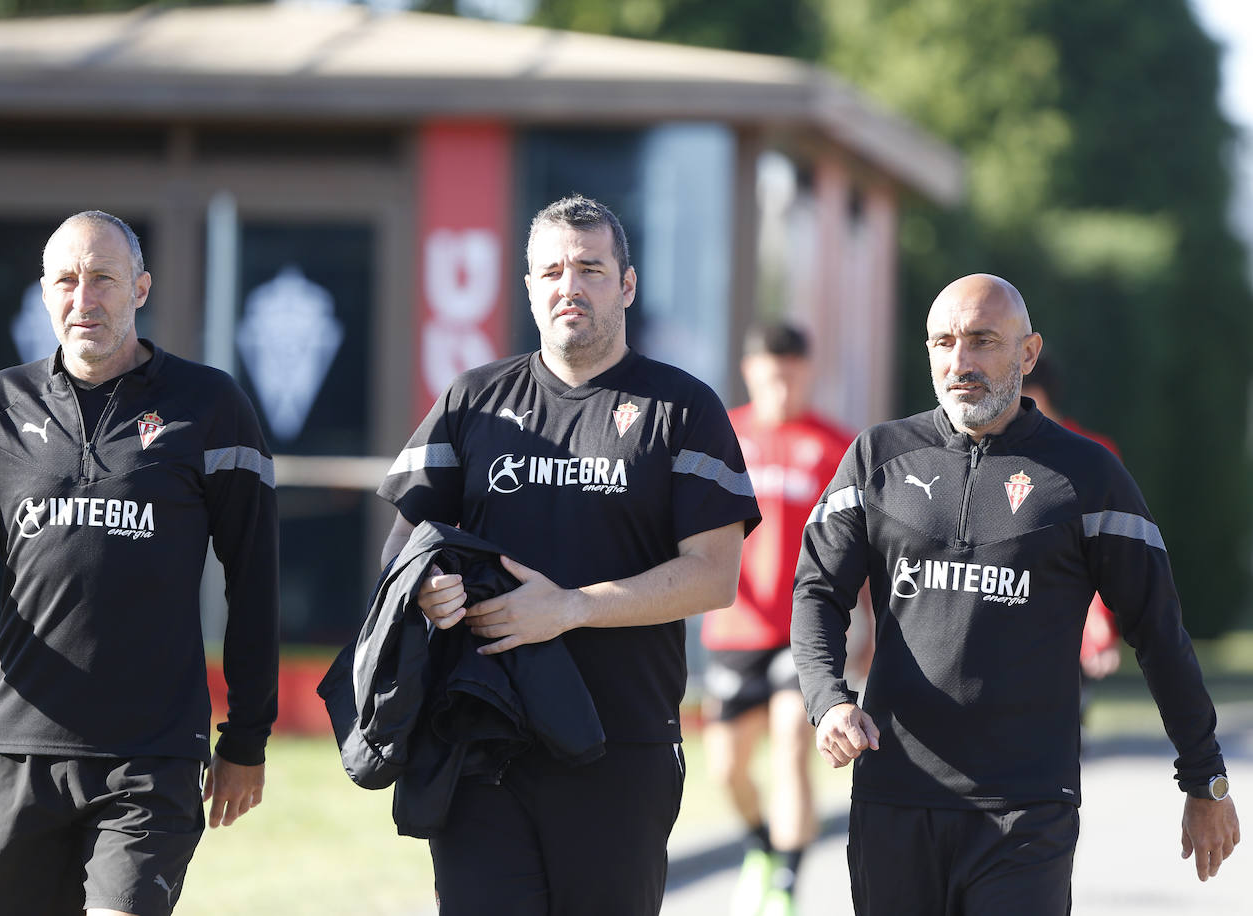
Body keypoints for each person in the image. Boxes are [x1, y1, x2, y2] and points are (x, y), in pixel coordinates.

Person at [790, 273, 1239, 915]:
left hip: (1027, 809)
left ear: (1027, 355)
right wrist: (828, 699)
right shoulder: (876, 458)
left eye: (981, 340)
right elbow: (816, 592)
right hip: (896, 794)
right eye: (943, 342)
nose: (959, 361)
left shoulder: (1088, 476)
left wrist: (1205, 778)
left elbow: (1158, 631)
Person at [0, 211, 279, 916]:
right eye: (66, 280)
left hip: (152, 753)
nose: (83, 298)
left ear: (141, 289)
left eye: (103, 279)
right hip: (18, 748)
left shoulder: (210, 406)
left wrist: (245, 736)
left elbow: (253, 582)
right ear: (44, 292)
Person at [377, 194, 761, 915]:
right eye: (550, 270)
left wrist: (571, 609)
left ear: (627, 285)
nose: (569, 285)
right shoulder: (474, 400)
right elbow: (405, 546)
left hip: (622, 747)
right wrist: (424, 588)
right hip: (480, 740)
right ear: (528, 287)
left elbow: (715, 575)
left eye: (590, 267)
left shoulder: (684, 409)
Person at [699, 324, 855, 916]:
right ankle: (761, 846)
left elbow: (860, 548)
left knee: (793, 741)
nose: (780, 385)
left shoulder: (835, 446)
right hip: (733, 626)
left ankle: (786, 884)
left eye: (790, 373)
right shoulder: (723, 437)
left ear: (806, 371)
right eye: (769, 373)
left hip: (806, 628)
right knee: (725, 767)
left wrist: (866, 624)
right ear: (750, 371)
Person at [1021, 355, 1121, 682]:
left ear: (1036, 396)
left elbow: (1107, 550)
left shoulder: (1093, 456)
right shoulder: (998, 455)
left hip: (1066, 623)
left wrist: (1100, 626)